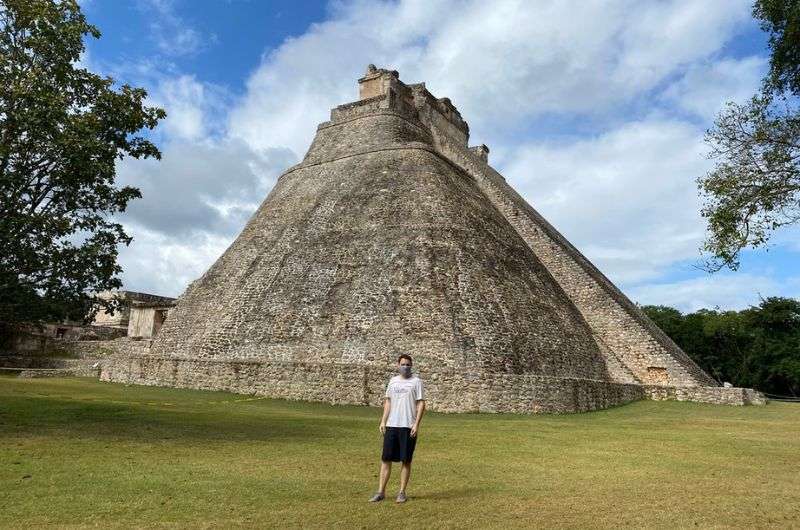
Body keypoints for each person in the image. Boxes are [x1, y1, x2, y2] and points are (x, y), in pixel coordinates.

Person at [368, 354, 426, 504]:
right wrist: (383, 421)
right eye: (403, 364)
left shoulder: (416, 382)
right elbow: (388, 402)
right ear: (398, 365)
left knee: (405, 461)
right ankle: (380, 491)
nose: (405, 367)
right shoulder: (393, 381)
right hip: (392, 425)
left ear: (411, 366)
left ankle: (401, 492)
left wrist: (416, 424)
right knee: (386, 459)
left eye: (408, 364)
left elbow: (421, 404)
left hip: (408, 426)